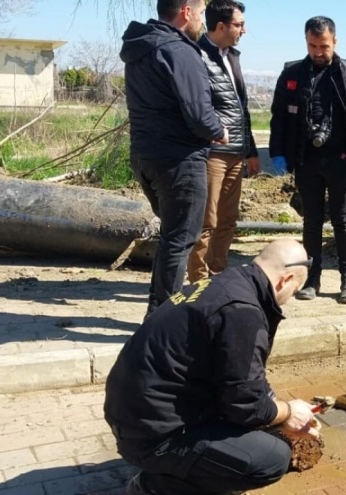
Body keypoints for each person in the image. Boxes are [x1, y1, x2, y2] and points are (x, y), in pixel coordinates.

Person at [104, 239, 321, 495]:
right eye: (294, 293)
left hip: (135, 417)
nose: (288, 301)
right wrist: (288, 412)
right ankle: (155, 487)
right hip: (150, 435)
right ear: (284, 280)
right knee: (271, 459)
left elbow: (242, 379)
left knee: (263, 424)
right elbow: (246, 407)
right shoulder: (243, 313)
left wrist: (273, 405)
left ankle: (180, 466)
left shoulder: (228, 283)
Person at [120, 0, 228, 318]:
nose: (201, 20)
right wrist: (219, 130)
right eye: (199, 12)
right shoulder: (179, 51)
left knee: (172, 235)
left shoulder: (140, 48)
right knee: (180, 239)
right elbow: (198, 113)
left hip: (145, 156)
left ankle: (160, 310)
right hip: (179, 159)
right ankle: (162, 318)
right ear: (185, 11)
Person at [269, 15, 346, 305]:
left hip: (342, 161)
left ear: (335, 41)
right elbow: (279, 118)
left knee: (343, 222)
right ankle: (312, 279)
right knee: (312, 222)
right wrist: (277, 152)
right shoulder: (293, 74)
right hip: (307, 160)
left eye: (324, 46)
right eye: (312, 46)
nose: (318, 52)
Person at [188, 0, 261, 284]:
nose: (244, 30)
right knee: (207, 222)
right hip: (212, 153)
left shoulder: (232, 57)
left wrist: (251, 151)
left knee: (227, 222)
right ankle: (198, 283)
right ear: (221, 26)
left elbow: (240, 109)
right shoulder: (197, 56)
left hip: (235, 153)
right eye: (239, 24)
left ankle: (216, 280)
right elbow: (198, 106)